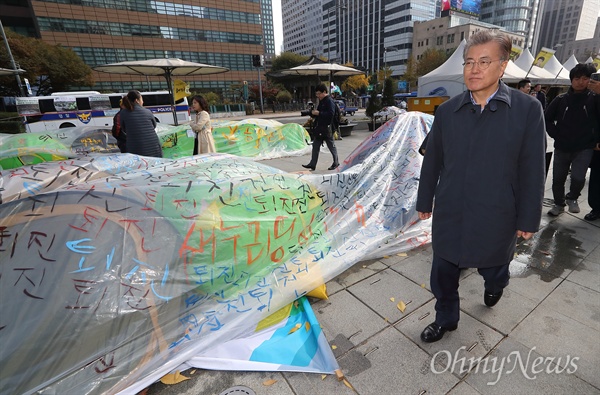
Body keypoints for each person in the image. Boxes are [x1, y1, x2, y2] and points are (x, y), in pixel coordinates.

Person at [416, 30, 546, 343]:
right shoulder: (448, 111)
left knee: (495, 267)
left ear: (503, 67)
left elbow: (533, 169)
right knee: (443, 273)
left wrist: (529, 218)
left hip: (497, 213)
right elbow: (432, 160)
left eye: (484, 62)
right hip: (452, 211)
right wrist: (424, 200)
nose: (474, 69)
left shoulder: (528, 110)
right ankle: (445, 318)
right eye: (469, 62)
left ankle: (496, 284)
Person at [545, 63, 599, 216]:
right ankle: (558, 204)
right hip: (562, 146)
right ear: (571, 80)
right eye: (577, 78)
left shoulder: (594, 99)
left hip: (584, 147)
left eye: (585, 78)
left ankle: (573, 197)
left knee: (578, 177)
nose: (580, 82)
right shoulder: (561, 100)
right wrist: (557, 134)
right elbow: (547, 119)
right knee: (558, 179)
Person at [302, 84, 339, 171]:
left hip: (327, 127)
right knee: (315, 145)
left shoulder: (329, 101)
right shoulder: (322, 101)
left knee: (331, 145)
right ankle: (312, 164)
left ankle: (336, 162)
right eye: (317, 94)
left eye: (319, 94)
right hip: (320, 127)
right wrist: (312, 113)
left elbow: (331, 114)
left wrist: (319, 113)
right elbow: (319, 113)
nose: (318, 96)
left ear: (324, 92)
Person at [120, 90, 162, 158]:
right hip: (154, 146)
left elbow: (124, 129)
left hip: (135, 147)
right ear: (137, 100)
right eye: (142, 99)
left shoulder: (123, 113)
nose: (143, 102)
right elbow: (154, 125)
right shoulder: (147, 111)